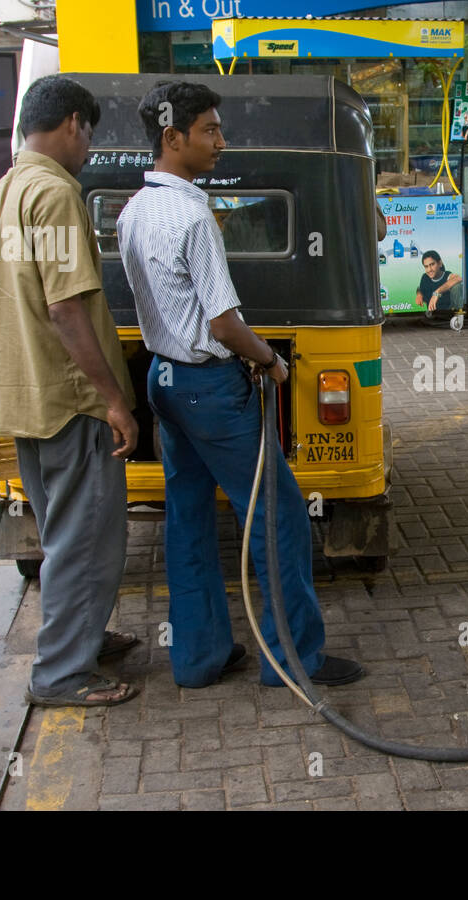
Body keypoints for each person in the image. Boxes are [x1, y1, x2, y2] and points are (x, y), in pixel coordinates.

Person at [116, 79, 364, 690]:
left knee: (189, 517)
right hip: (209, 390)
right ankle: (292, 659)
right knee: (279, 517)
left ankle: (198, 657)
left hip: (164, 382)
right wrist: (272, 363)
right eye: (210, 131)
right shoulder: (192, 215)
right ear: (173, 139)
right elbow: (224, 324)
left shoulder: (133, 211)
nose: (221, 142)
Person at [0, 75, 140, 707]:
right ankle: (62, 674)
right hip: (71, 400)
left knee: (61, 533)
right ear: (73, 124)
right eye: (90, 134)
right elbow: (67, 307)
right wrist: (113, 399)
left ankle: (83, 639)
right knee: (89, 537)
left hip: (24, 395)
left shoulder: (1, 194)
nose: (89, 147)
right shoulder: (55, 194)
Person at [414, 250, 463, 314]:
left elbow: (458, 278)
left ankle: (459, 314)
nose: (429, 269)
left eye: (432, 264)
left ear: (440, 263)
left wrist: (437, 293)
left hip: (449, 312)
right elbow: (420, 288)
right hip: (432, 314)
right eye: (426, 266)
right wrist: (419, 294)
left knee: (457, 286)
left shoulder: (447, 275)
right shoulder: (425, 277)